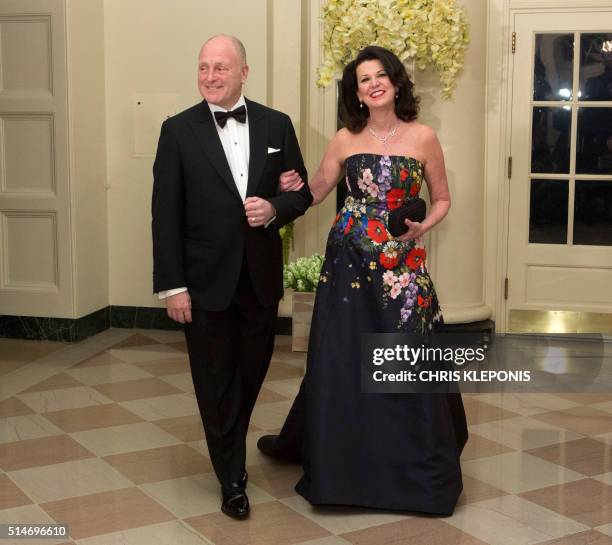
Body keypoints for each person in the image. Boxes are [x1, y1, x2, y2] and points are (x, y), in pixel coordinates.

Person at [258, 45, 468, 515]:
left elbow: (443, 200)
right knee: (345, 357)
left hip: (403, 265)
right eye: (362, 80)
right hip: (349, 264)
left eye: (379, 76)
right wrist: (286, 192)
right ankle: (346, 467)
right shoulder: (344, 139)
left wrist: (423, 227)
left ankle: (410, 468)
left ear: (396, 82)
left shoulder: (424, 137)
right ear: (356, 93)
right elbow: (315, 193)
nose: (372, 85)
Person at [151, 34, 312, 519]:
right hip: (202, 285)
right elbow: (164, 216)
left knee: (249, 374)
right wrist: (173, 286)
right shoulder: (177, 131)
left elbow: (300, 192)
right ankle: (232, 479)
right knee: (214, 381)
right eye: (203, 67)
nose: (210, 77)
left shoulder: (276, 124)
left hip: (259, 281)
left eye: (221, 67)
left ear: (244, 71)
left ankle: (229, 441)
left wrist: (276, 207)